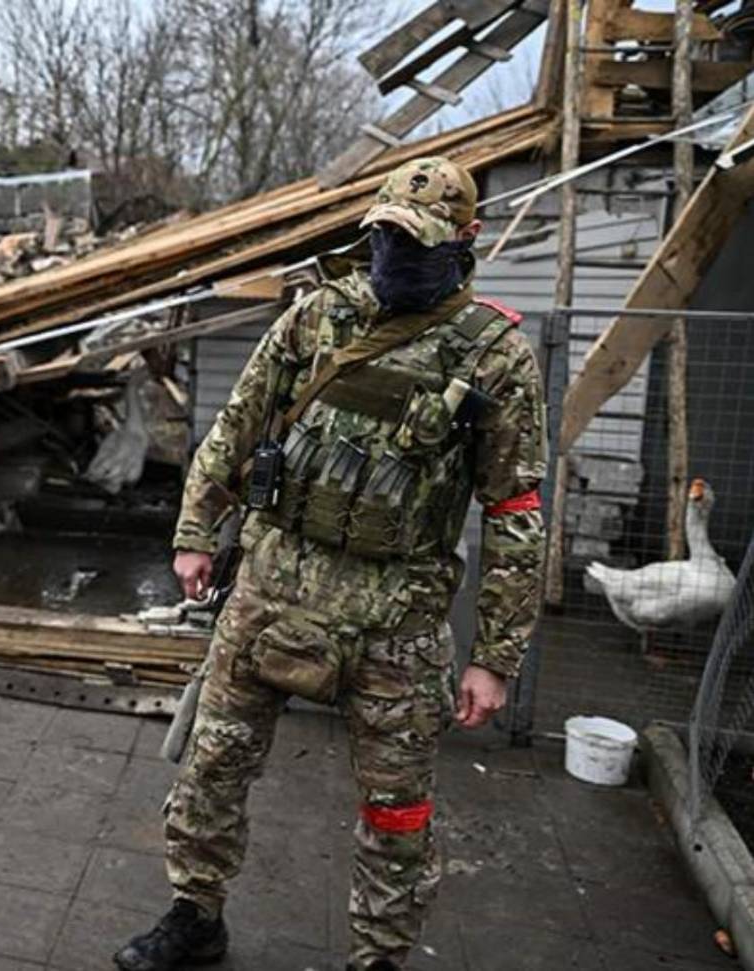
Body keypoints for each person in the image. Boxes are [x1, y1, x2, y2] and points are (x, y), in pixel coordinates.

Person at [114, 157, 547, 971]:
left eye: (416, 244)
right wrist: (195, 532)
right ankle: (194, 915)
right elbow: (233, 430)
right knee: (211, 768)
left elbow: (514, 514)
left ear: (464, 240)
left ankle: (376, 956)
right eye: (384, 239)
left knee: (395, 810)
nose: (394, 259)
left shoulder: (492, 356)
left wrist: (495, 656)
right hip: (272, 589)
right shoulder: (315, 320)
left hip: (396, 624)